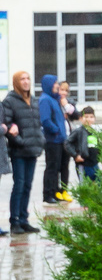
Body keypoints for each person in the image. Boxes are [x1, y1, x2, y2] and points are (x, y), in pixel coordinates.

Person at [2, 72, 40, 233]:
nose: (26, 82)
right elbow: (7, 125)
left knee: (28, 185)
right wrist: (20, 141)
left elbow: (38, 123)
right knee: (19, 185)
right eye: (22, 79)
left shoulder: (34, 101)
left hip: (33, 149)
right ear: (16, 82)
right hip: (19, 151)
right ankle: (15, 221)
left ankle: (24, 219)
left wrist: (40, 141)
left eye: (28, 78)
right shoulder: (10, 101)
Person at [38, 75, 71, 204]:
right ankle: (48, 194)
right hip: (53, 140)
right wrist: (56, 130)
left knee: (58, 167)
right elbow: (45, 120)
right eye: (55, 83)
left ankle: (55, 191)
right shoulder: (45, 100)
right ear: (49, 84)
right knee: (52, 168)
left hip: (60, 139)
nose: (57, 85)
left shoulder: (54, 99)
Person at [71, 107, 101, 181]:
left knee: (98, 183)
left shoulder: (94, 132)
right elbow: (67, 143)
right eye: (86, 117)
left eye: (91, 117)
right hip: (83, 164)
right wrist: (75, 155)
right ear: (81, 118)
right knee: (85, 184)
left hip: (94, 163)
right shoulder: (78, 131)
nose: (89, 119)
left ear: (94, 119)